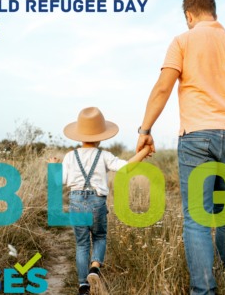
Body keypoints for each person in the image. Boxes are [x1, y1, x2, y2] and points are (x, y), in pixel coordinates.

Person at [136, 0, 225, 294]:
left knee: (197, 218)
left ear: (189, 15)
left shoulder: (182, 41)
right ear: (213, 12)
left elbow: (163, 87)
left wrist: (145, 129)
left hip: (197, 137)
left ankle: (204, 290)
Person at [48, 107, 151, 295]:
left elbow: (59, 181)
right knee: (99, 237)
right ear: (101, 136)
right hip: (97, 201)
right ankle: (94, 269)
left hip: (76, 201)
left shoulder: (71, 156)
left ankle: (83, 286)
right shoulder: (104, 155)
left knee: (81, 244)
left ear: (79, 135)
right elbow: (127, 168)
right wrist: (144, 151)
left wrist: (53, 166)